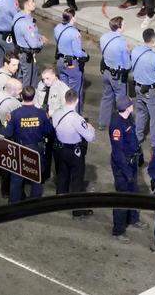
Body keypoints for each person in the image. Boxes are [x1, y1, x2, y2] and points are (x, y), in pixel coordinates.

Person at [4, 86, 54, 202]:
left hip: (20, 149)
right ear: (34, 96)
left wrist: (7, 121)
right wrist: (47, 120)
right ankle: (35, 202)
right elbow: (49, 131)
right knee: (36, 177)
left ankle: (14, 203)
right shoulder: (41, 114)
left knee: (17, 177)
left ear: (21, 96)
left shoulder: (14, 114)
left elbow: (8, 132)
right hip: (37, 149)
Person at [51, 89, 96, 217]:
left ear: (65, 99)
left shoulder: (57, 113)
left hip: (60, 148)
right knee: (77, 179)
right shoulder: (77, 118)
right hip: (74, 151)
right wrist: (90, 128)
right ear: (76, 101)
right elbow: (90, 137)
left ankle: (59, 201)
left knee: (62, 174)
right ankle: (77, 210)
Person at [109, 96, 143, 239]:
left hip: (132, 161)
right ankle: (118, 230)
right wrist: (127, 172)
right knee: (122, 198)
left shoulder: (128, 118)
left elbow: (133, 138)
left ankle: (133, 219)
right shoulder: (117, 124)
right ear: (128, 107)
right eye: (131, 104)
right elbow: (117, 152)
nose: (132, 106)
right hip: (122, 166)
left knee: (134, 193)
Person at [129, 28, 155, 148]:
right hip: (151, 91)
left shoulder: (135, 51)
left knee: (141, 112)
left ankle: (138, 136)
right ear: (153, 39)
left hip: (138, 88)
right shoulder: (154, 57)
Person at [98, 16, 131, 129]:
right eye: (124, 24)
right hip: (117, 75)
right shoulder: (122, 42)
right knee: (121, 100)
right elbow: (127, 65)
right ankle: (121, 125)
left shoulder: (104, 37)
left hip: (106, 71)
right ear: (119, 27)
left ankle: (102, 123)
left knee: (107, 96)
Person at [51, 8, 87, 100]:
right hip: (71, 64)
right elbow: (78, 53)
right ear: (73, 18)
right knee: (74, 93)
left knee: (64, 90)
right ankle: (75, 113)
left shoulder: (57, 27)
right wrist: (85, 55)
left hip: (60, 60)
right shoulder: (75, 33)